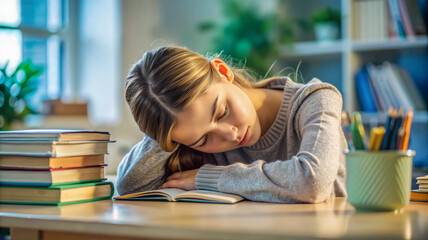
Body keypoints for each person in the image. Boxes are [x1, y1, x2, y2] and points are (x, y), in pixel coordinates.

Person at [116, 46, 347, 203]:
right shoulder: (191, 143)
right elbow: (130, 185)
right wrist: (161, 119)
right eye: (203, 139)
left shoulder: (315, 100)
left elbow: (312, 181)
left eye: (222, 112)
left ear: (223, 71)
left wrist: (210, 178)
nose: (230, 134)